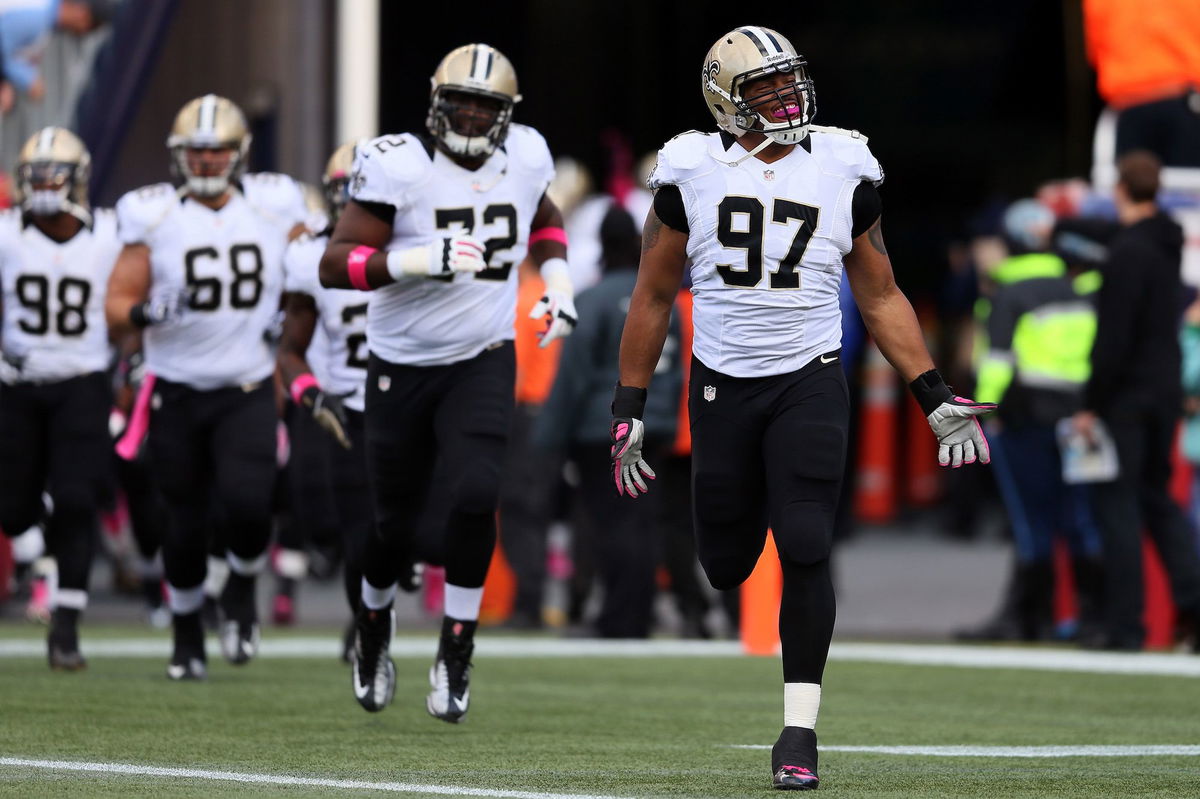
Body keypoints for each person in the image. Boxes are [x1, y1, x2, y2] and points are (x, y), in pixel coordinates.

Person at [610, 26, 994, 790]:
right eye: (767, 87)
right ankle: (734, 544)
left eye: (791, 82)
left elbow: (879, 294)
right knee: (725, 564)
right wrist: (630, 403)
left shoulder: (844, 162)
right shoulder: (691, 167)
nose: (788, 98)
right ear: (728, 99)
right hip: (721, 380)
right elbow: (652, 294)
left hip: (809, 375)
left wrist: (932, 393)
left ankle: (799, 729)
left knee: (809, 539)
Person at [319, 43, 576, 720]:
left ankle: (457, 640)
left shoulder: (525, 156)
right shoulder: (399, 165)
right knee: (393, 523)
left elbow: (543, 220)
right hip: (401, 361)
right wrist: (409, 260)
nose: (468, 113)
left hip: (481, 352)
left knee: (475, 493)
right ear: (435, 103)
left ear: (505, 114)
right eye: (458, 100)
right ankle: (374, 620)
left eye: (483, 104)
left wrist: (556, 280)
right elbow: (335, 263)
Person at [105, 94, 306, 680]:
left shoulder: (273, 208)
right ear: (179, 156)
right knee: (184, 521)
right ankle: (188, 629)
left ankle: (242, 585)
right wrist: (147, 313)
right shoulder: (155, 216)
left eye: (218, 150)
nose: (209, 160)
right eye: (198, 150)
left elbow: (311, 271)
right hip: (177, 388)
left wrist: (290, 318)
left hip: (245, 385)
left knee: (248, 506)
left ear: (240, 154)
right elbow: (115, 306)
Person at [0, 126, 120, 669]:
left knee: (76, 501)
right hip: (17, 384)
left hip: (82, 380)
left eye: (55, 174)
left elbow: (130, 298)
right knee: (12, 507)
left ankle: (66, 626)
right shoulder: (6, 234)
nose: (45, 184)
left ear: (78, 178)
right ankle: (36, 557)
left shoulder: (109, 234)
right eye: (37, 174)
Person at [958, 201, 1104, 643]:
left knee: (1029, 522)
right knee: (1078, 518)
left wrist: (983, 414)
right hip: (1078, 420)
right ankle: (1092, 619)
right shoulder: (1078, 289)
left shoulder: (1008, 293)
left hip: (1024, 421)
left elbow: (997, 363)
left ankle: (1026, 618)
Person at [1072, 150, 1200, 651]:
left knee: (1117, 506)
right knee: (1156, 501)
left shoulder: (1127, 253)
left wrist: (1091, 402)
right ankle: (1192, 603)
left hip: (1125, 396)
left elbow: (1113, 339)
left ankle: (1126, 624)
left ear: (1120, 189)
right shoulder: (1166, 244)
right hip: (1163, 391)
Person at [537, 204, 681, 638]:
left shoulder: (594, 300)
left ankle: (619, 617)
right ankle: (638, 613)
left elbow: (573, 376)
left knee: (611, 525)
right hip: (651, 425)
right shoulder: (659, 302)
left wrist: (548, 434)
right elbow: (673, 373)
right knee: (642, 523)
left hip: (602, 429)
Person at [277, 140, 370, 657]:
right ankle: (365, 612)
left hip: (403, 398)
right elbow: (289, 345)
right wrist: (310, 394)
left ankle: (375, 605)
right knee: (333, 515)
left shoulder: (411, 243)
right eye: (347, 193)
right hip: (339, 401)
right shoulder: (308, 252)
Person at [0, 0, 113, 113]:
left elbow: (8, 50)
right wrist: (10, 81)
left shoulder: (45, 18)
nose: (84, 32)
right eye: (90, 26)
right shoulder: (39, 16)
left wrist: (27, 77)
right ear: (82, 13)